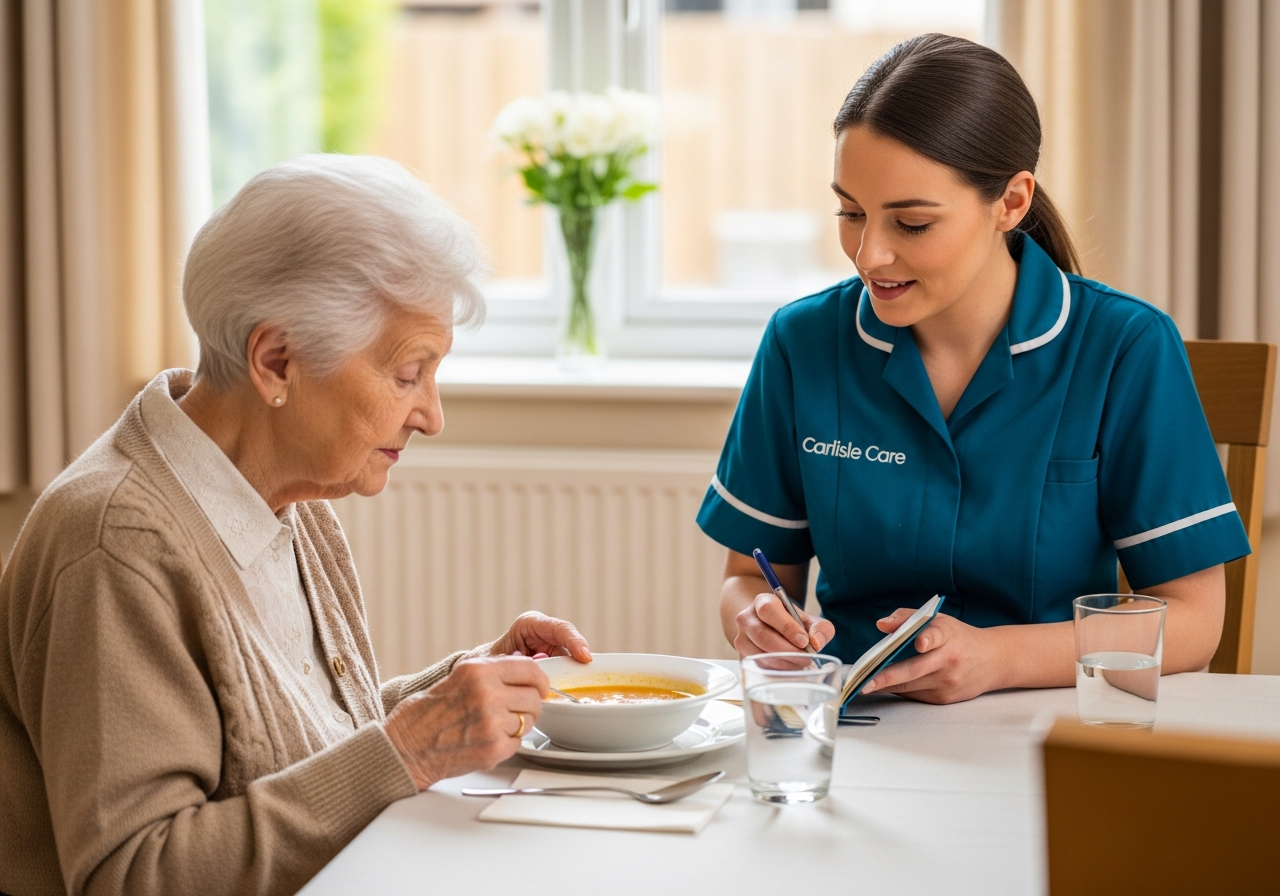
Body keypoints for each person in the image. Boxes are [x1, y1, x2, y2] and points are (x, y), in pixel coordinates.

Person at [0, 155, 592, 896]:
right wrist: (406, 754)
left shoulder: (287, 498)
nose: (432, 417)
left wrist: (461, 689)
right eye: (409, 373)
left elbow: (293, 751)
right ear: (276, 361)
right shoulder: (115, 545)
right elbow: (134, 874)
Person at [697, 34, 1250, 705]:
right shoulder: (801, 342)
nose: (869, 254)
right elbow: (749, 577)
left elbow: (1194, 624)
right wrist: (753, 620)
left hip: (1045, 726)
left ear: (1011, 202)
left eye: (912, 223)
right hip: (855, 736)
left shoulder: (1126, 347)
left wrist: (997, 657)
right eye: (851, 213)